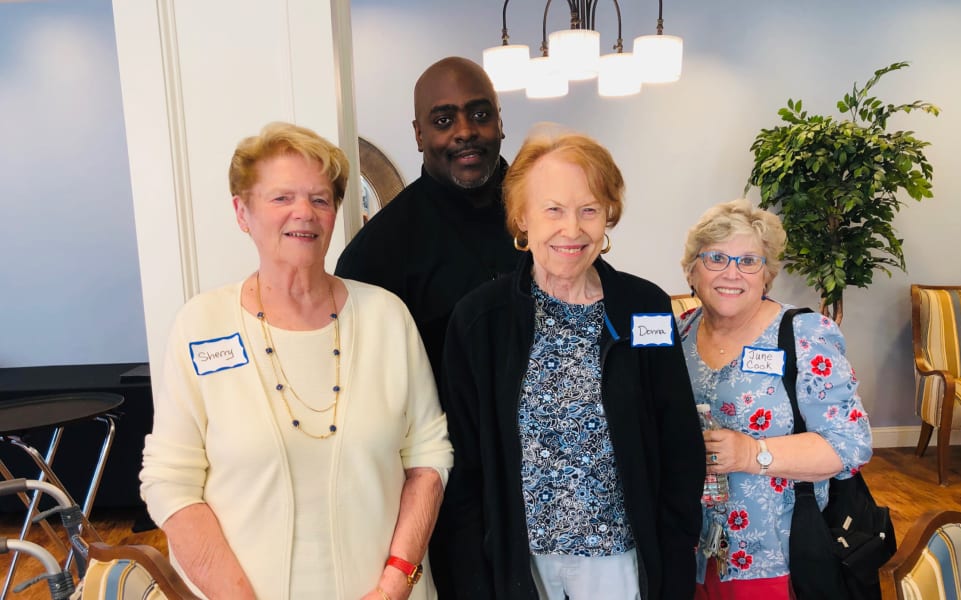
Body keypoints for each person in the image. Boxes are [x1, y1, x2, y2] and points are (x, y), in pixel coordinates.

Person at [139, 122, 453, 600]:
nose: (303, 213)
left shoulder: (388, 318)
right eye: (281, 198)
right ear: (242, 212)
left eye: (320, 199)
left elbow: (429, 456)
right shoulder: (200, 326)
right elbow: (170, 482)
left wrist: (394, 584)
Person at [438, 128, 706, 599]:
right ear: (522, 217)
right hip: (522, 563)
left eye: (589, 210)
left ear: (608, 217)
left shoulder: (644, 308)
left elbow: (678, 443)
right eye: (553, 210)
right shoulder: (481, 320)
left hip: (620, 560)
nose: (572, 229)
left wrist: (676, 551)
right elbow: (464, 467)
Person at [677, 199, 873, 599]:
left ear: (766, 275)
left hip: (778, 554)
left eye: (749, 261)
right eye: (716, 258)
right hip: (691, 548)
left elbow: (850, 445)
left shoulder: (803, 334)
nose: (732, 273)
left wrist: (752, 453)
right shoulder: (678, 333)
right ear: (692, 270)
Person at [334, 56, 520, 388]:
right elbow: (366, 384)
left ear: (500, 122)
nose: (465, 131)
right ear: (419, 135)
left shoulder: (551, 217)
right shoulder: (375, 253)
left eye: (480, 114)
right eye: (444, 120)